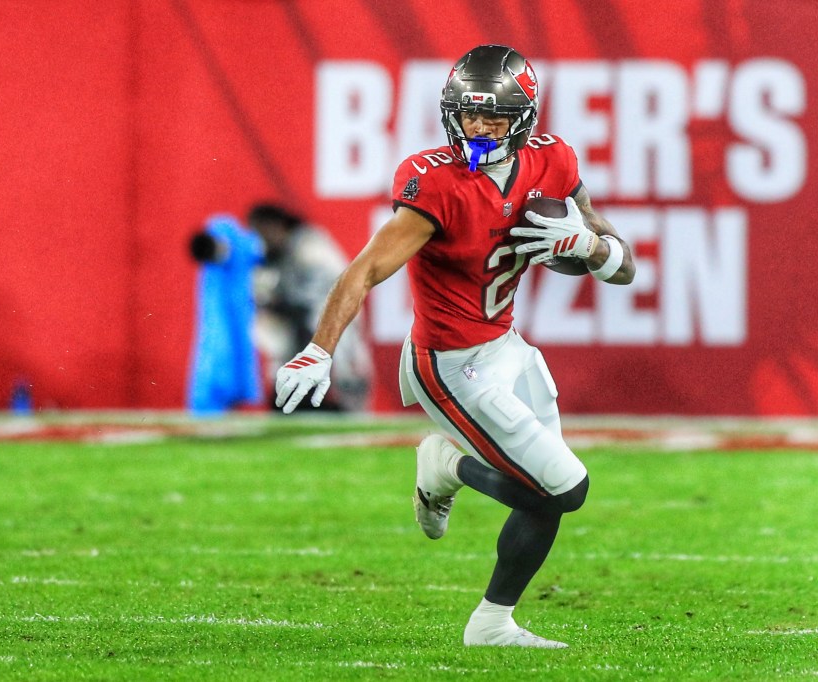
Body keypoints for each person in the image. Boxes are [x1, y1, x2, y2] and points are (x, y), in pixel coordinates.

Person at [274, 45, 635, 648]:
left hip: (508, 347)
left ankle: (492, 624)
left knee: (545, 497)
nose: (477, 127)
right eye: (467, 114)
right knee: (566, 487)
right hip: (449, 364)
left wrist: (589, 247)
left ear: (524, 117)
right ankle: (446, 464)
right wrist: (320, 348)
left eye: (493, 116)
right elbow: (363, 270)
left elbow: (619, 266)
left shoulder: (555, 161)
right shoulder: (436, 181)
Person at [248, 203, 372, 412]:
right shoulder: (269, 258)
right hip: (298, 335)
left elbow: (336, 289)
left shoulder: (309, 245)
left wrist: (289, 304)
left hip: (332, 321)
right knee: (271, 328)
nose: (260, 240)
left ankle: (342, 402)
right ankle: (288, 394)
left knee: (340, 360)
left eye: (262, 231)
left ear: (277, 226)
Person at [186, 214, 264, 413]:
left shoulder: (243, 244)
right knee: (218, 353)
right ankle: (212, 402)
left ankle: (230, 401)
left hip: (243, 317)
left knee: (236, 356)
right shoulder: (213, 273)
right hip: (224, 320)